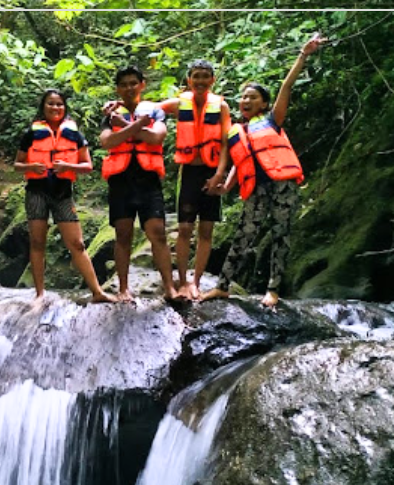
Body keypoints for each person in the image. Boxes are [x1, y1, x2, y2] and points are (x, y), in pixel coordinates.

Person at [202, 33, 327, 308]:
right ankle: (222, 287)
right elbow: (240, 161)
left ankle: (273, 290)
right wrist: (227, 186)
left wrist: (303, 54)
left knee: (281, 234)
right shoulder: (236, 131)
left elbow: (286, 85)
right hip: (255, 189)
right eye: (243, 97)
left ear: (264, 104)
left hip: (282, 186)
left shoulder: (273, 120)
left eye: (253, 97)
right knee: (243, 235)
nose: (245, 101)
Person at [13, 89, 116, 303]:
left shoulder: (74, 134)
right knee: (37, 242)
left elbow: (88, 166)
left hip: (62, 194)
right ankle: (39, 294)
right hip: (36, 192)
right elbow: (17, 164)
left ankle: (97, 292)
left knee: (77, 244)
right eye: (50, 103)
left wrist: (68, 166)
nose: (55, 108)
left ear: (65, 107)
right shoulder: (31, 133)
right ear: (43, 106)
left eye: (59, 104)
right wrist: (30, 166)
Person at [99, 66, 181, 303]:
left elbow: (156, 137)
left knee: (158, 233)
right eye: (123, 84)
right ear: (118, 89)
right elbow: (108, 141)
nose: (129, 88)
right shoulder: (109, 114)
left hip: (147, 179)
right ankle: (123, 288)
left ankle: (169, 287)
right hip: (121, 181)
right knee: (122, 235)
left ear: (142, 84)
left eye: (133, 83)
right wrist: (134, 126)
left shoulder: (153, 111)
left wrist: (123, 125)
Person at [157, 60, 231, 300]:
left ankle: (196, 282)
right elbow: (149, 108)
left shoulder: (221, 106)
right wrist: (119, 106)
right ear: (189, 80)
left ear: (212, 80)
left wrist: (219, 175)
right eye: (196, 76)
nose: (200, 81)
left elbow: (225, 143)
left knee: (206, 230)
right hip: (188, 172)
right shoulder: (180, 104)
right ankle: (182, 281)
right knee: (185, 228)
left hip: (211, 172)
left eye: (205, 76)